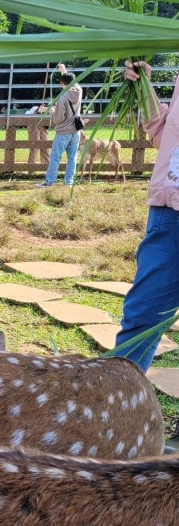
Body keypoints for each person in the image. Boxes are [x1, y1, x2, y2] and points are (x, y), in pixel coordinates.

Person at [113, 59, 179, 372]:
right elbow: (165, 136)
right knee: (143, 316)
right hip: (169, 212)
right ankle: (118, 406)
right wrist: (145, 89)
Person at [36, 63, 82, 187]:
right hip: (76, 132)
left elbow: (57, 119)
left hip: (63, 132)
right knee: (72, 159)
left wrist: (47, 110)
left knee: (55, 158)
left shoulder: (62, 98)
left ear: (62, 84)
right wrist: (63, 70)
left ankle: (50, 182)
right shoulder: (79, 91)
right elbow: (72, 83)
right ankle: (69, 183)